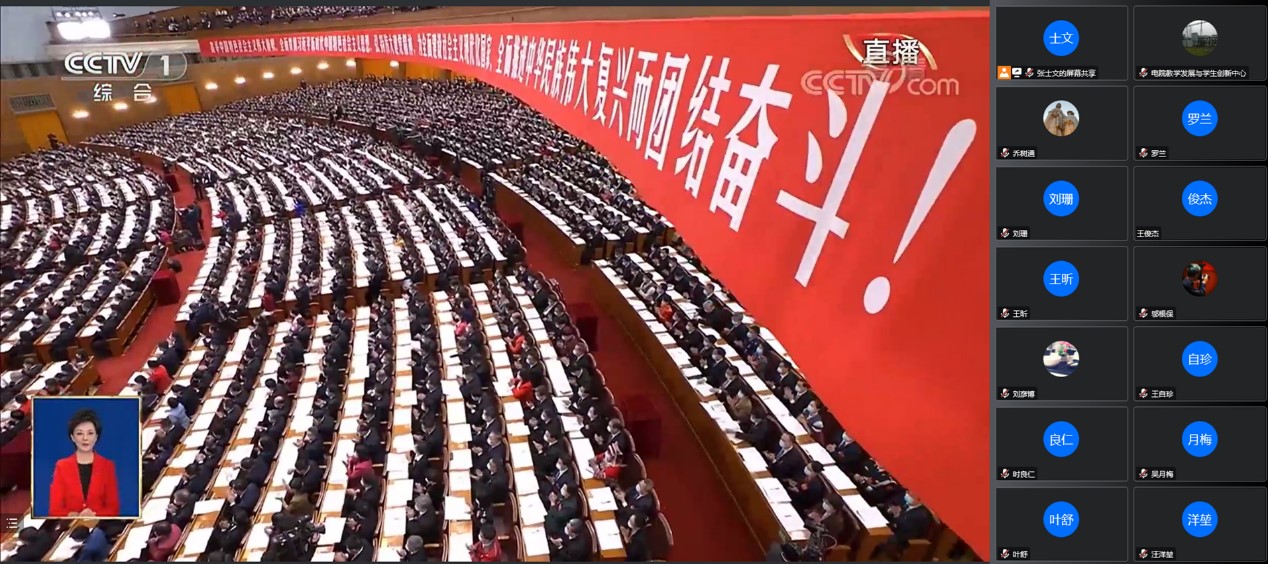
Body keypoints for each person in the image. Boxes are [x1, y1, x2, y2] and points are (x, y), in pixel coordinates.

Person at [48, 409, 121, 517]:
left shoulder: (107, 466)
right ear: (72, 437)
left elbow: (113, 508)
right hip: (70, 524)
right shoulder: (62, 466)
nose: (85, 438)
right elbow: (54, 509)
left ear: (96, 437)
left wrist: (95, 515)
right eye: (79, 433)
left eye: (90, 433)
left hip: (99, 523)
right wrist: (72, 515)